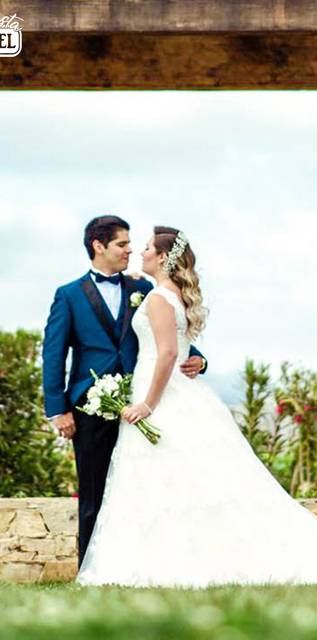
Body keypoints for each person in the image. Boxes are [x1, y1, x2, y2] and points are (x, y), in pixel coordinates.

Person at [75, 226, 317, 588]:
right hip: (177, 392)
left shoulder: (159, 298)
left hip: (158, 392)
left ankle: (159, 564)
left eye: (144, 248)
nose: (138, 252)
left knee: (161, 476)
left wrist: (146, 403)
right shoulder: (167, 293)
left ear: (163, 258)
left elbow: (167, 354)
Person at [42, 216, 208, 568]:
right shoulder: (68, 295)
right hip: (90, 405)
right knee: (93, 492)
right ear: (98, 246)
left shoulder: (144, 289)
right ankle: (91, 568)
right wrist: (59, 409)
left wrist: (200, 361)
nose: (130, 250)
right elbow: (54, 353)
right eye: (122, 244)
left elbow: (168, 336)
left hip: (142, 401)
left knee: (141, 485)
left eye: (133, 244)